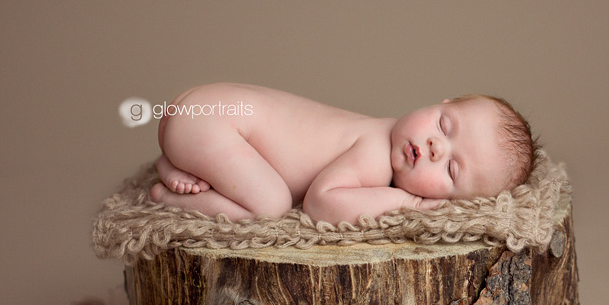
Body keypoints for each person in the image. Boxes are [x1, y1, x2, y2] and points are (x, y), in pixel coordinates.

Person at [149, 83, 535, 224]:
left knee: (258, 187)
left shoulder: (381, 129)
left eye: (451, 168)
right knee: (270, 205)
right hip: (212, 123)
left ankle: (178, 159)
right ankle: (170, 196)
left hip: (198, 111)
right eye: (444, 125)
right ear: (441, 101)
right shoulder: (374, 151)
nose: (436, 145)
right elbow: (321, 202)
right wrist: (407, 203)